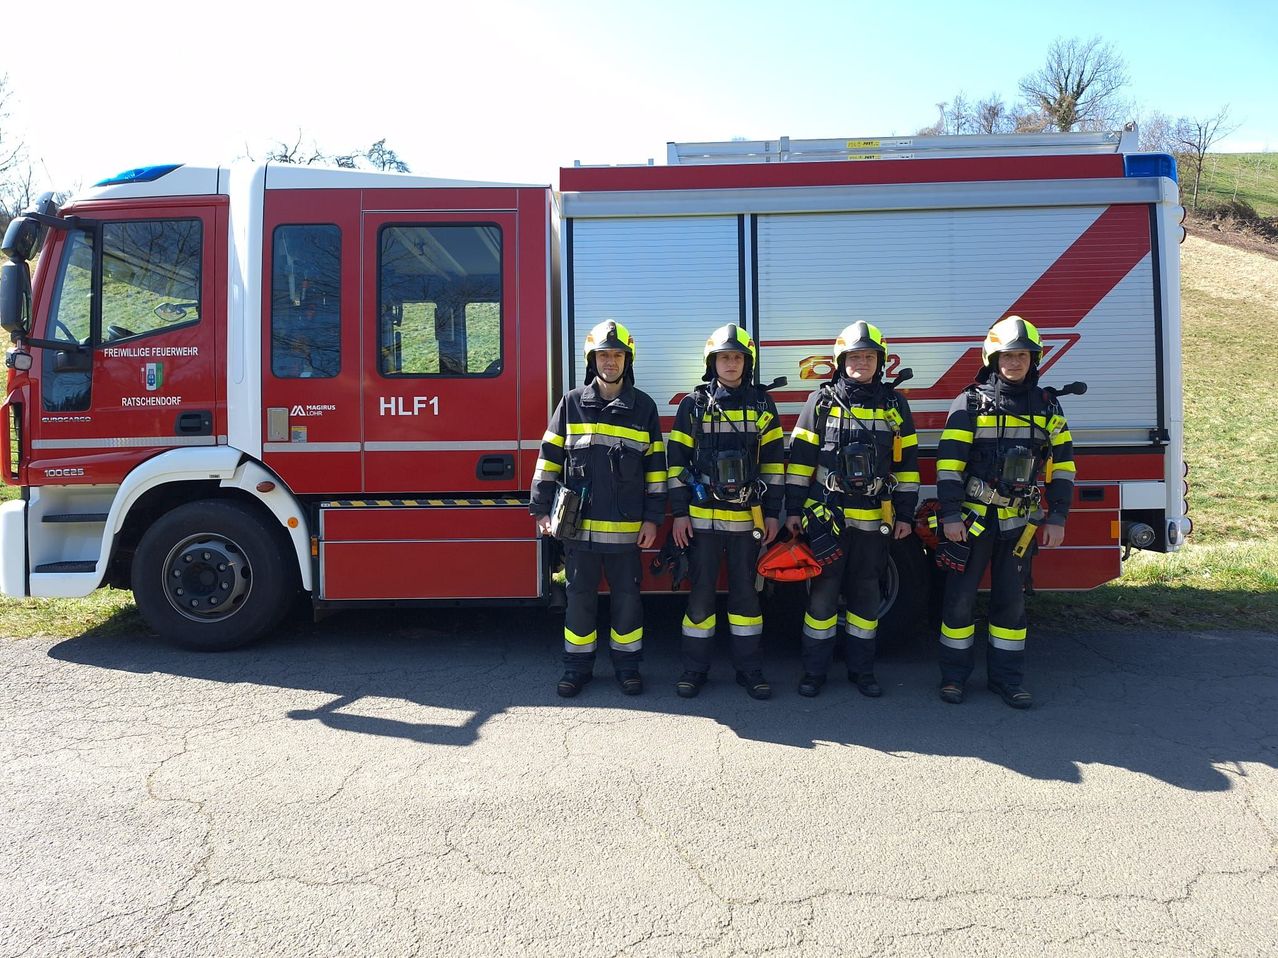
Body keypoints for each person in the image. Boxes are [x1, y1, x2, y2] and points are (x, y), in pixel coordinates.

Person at [934, 315, 1075, 708]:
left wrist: (1058, 516)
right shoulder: (969, 402)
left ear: (1034, 360)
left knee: (1011, 604)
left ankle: (1007, 680)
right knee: (960, 601)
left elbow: (1062, 466)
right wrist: (950, 516)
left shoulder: (1048, 406)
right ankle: (953, 678)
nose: (1014, 362)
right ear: (992, 359)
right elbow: (949, 465)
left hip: (1020, 524)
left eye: (1022, 356)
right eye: (1007, 356)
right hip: (973, 521)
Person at [530, 321, 667, 698]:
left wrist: (653, 519)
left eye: (617, 355)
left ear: (627, 360)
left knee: (628, 602)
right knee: (579, 601)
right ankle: (577, 668)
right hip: (579, 531)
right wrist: (541, 510)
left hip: (626, 531)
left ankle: (627, 668)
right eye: (603, 355)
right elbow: (548, 460)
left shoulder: (644, 407)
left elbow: (656, 469)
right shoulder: (571, 403)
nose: (610, 361)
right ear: (592, 360)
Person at [784, 321, 920, 698]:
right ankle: (814, 672)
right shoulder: (821, 401)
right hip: (827, 516)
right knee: (822, 596)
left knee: (865, 596)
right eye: (855, 356)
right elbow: (800, 462)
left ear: (880, 362)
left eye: (869, 357)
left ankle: (863, 672)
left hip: (875, 520)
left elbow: (907, 466)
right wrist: (793, 511)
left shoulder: (895, 405)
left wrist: (906, 514)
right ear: (840, 361)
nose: (862, 362)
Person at [667, 324, 784, 700]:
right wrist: (680, 513)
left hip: (748, 519)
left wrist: (772, 514)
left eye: (737, 357)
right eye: (724, 357)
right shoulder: (693, 405)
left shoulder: (763, 405)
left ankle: (750, 670)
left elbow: (774, 465)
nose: (731, 363)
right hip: (701, 521)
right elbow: (676, 463)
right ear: (712, 363)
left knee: (746, 598)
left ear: (747, 363)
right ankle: (694, 670)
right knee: (700, 597)